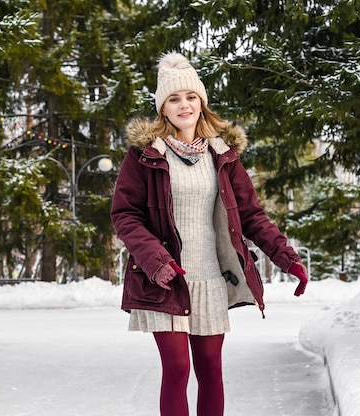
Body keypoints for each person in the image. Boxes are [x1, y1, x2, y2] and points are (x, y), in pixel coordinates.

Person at [110, 52, 308, 416]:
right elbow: (125, 215)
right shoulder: (144, 155)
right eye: (173, 98)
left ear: (200, 101)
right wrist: (156, 260)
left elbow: (251, 215)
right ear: (163, 109)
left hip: (210, 278)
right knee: (177, 369)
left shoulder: (223, 155)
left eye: (189, 96)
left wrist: (286, 257)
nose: (183, 104)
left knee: (211, 371)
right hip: (165, 279)